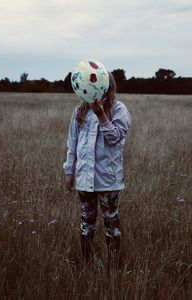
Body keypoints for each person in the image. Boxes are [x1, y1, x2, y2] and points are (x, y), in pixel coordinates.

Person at [63, 72, 131, 270]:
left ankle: (114, 265)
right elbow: (72, 144)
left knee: (111, 221)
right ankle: (86, 262)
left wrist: (101, 115)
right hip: (84, 178)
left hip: (108, 178)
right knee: (86, 222)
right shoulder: (79, 111)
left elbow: (115, 138)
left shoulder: (118, 109)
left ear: (107, 86)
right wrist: (69, 171)